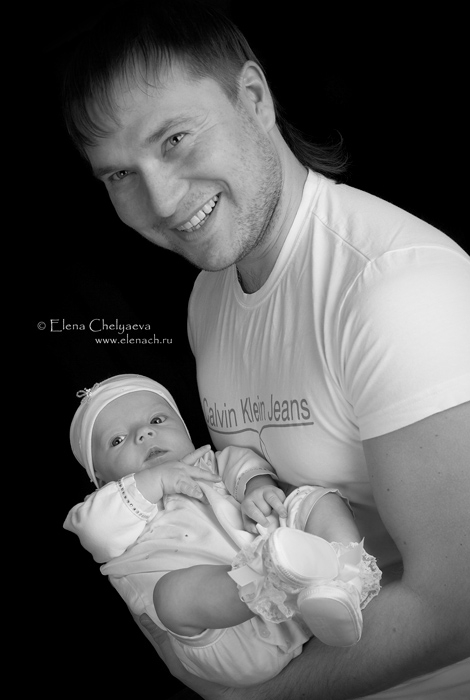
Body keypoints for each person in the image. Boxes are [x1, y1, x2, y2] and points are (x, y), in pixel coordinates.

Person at [61, 1, 470, 697]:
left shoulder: (396, 289)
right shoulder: (209, 296)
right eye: (119, 176)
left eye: (174, 139)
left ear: (253, 97)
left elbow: (457, 609)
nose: (161, 201)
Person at [64, 373, 381, 686]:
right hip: (229, 637)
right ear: (101, 480)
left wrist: (258, 489)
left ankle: (344, 582)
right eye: (117, 440)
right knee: (171, 596)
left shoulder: (211, 463)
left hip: (306, 591)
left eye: (157, 420)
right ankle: (277, 577)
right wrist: (154, 481)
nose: (144, 434)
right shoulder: (111, 510)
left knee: (317, 499)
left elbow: (248, 468)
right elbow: (95, 532)